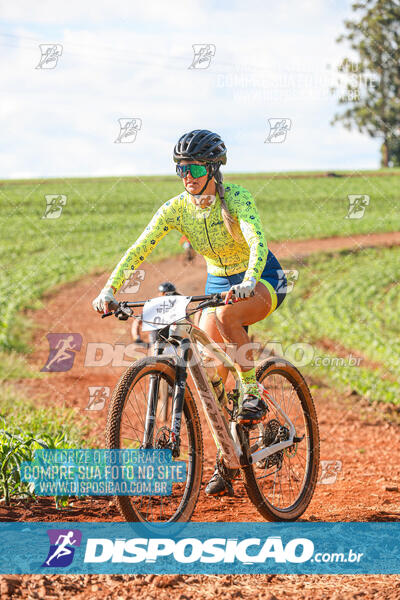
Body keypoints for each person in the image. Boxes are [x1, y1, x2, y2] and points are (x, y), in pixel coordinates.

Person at [93, 129, 287, 496]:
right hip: (218, 281)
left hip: (262, 276)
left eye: (195, 168)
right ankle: (228, 459)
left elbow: (257, 239)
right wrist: (109, 290)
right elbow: (139, 249)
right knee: (209, 376)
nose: (187, 176)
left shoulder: (237, 198)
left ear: (213, 168)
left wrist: (247, 281)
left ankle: (252, 391)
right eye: (180, 169)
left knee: (229, 319)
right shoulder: (176, 209)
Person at [131, 281, 177, 345]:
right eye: (166, 294)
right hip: (157, 342)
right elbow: (137, 321)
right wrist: (137, 338)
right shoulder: (154, 306)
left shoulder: (177, 306)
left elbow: (188, 321)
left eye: (172, 294)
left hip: (174, 343)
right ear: (161, 293)